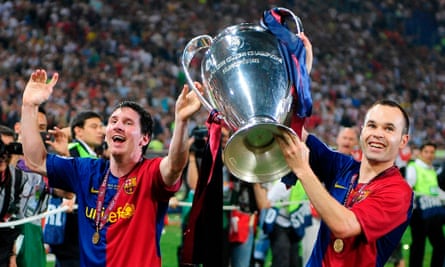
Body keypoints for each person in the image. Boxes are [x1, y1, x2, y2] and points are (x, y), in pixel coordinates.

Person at [20, 69, 203, 267]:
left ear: (144, 138)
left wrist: (182, 121)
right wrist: (29, 106)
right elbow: (36, 161)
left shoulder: (150, 173)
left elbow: (174, 165)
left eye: (128, 122)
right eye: (113, 121)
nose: (117, 126)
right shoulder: (87, 170)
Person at [275, 99, 414, 266]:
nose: (378, 133)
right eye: (372, 125)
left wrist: (303, 170)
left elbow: (344, 226)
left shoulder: (398, 191)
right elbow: (296, 135)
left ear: (403, 140)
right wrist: (292, 94)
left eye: (389, 128)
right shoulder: (344, 166)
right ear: (362, 131)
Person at [45, 110, 105, 267]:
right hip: (71, 231)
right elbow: (58, 177)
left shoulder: (94, 156)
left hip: (84, 230)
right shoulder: (70, 150)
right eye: (94, 126)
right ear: (78, 131)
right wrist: (67, 197)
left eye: (101, 126)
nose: (101, 130)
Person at [301, 125, 360, 266]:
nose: (347, 141)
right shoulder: (323, 159)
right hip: (315, 217)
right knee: (310, 254)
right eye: (345, 137)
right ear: (338, 139)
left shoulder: (359, 168)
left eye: (351, 139)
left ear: (356, 143)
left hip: (342, 223)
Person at [406, 141, 445, 267]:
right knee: (419, 246)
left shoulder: (432, 170)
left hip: (432, 212)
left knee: (440, 245)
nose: (429, 155)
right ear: (421, 153)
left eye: (432, 152)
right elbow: (409, 188)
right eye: (426, 152)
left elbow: (435, 190)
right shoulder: (414, 167)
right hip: (419, 213)